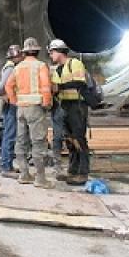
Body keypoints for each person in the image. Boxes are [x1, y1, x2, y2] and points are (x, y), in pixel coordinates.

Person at [4, 37, 54, 189]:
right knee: (38, 142)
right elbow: (46, 86)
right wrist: (46, 103)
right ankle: (40, 179)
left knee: (21, 141)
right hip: (35, 108)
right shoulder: (41, 66)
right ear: (38, 51)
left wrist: (14, 101)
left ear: (24, 52)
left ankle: (24, 175)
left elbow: (8, 86)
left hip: (21, 108)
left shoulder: (18, 67)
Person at [49, 39, 90, 184]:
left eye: (52, 52)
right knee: (70, 139)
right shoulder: (56, 69)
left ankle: (83, 172)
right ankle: (72, 170)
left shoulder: (75, 64)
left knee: (79, 138)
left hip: (77, 105)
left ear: (60, 52)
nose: (51, 55)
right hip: (64, 105)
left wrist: (59, 87)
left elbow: (80, 83)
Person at [0, 44, 23, 178]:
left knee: (9, 134)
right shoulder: (11, 68)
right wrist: (5, 96)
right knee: (10, 135)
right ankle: (6, 167)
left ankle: (7, 164)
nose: (22, 57)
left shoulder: (11, 66)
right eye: (20, 55)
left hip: (11, 104)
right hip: (11, 105)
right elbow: (1, 87)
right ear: (15, 56)